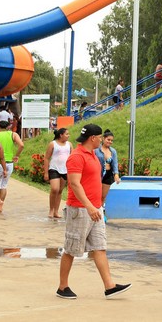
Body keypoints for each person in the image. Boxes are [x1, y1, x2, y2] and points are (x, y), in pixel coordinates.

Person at [56, 124, 131, 300]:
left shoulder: (93, 155)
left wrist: (97, 205)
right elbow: (74, 184)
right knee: (71, 249)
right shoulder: (76, 157)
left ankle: (109, 286)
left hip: (95, 208)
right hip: (80, 209)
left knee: (99, 247)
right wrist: (89, 206)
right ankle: (62, 287)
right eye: (99, 137)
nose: (101, 139)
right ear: (93, 138)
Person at [0, 120, 24, 213]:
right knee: (4, 185)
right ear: (8, 127)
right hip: (9, 162)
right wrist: (16, 155)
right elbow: (21, 145)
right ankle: (0, 206)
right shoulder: (13, 134)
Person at [44, 128, 71, 219]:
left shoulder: (69, 144)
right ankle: (51, 209)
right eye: (66, 134)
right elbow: (46, 158)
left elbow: (73, 157)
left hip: (65, 170)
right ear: (61, 135)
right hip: (54, 169)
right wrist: (46, 172)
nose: (68, 136)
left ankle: (56, 211)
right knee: (55, 189)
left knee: (60, 191)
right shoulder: (53, 144)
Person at [95, 130, 120, 205]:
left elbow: (115, 163)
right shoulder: (96, 150)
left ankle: (100, 209)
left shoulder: (113, 151)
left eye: (111, 140)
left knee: (103, 196)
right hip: (97, 174)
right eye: (108, 139)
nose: (110, 142)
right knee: (96, 195)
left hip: (108, 175)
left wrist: (116, 174)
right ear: (103, 138)